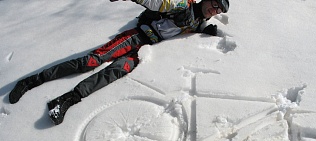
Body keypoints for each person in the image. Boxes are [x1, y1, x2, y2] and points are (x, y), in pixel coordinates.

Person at [8, 0, 230, 125]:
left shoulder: (199, 20)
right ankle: (31, 81)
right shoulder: (183, 4)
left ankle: (65, 100)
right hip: (137, 36)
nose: (214, 10)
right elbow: (158, 2)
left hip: (144, 50)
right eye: (214, 4)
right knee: (92, 61)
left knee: (113, 73)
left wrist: (207, 30)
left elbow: (194, 27)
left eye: (218, 10)